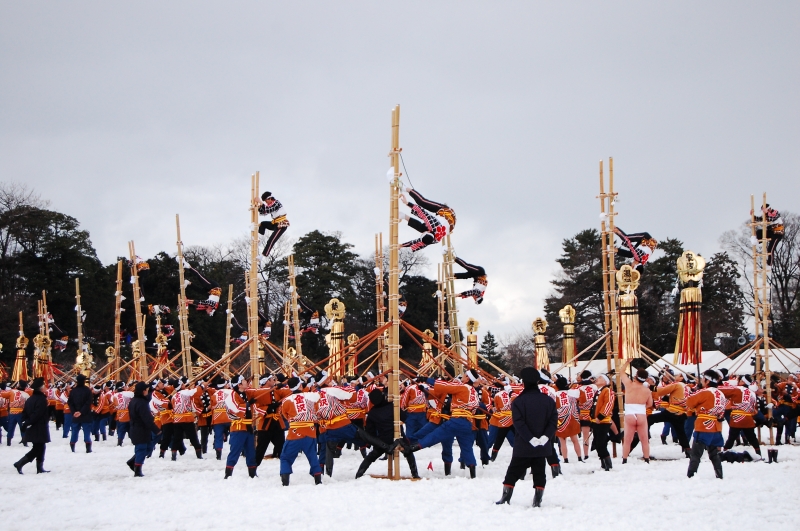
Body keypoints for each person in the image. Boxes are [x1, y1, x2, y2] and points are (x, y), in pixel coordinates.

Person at [494, 367, 557, 508]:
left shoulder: (518, 401)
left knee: (513, 471)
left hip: (524, 443)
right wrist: (546, 437)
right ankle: (537, 500)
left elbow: (519, 423)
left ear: (523, 383)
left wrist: (530, 438)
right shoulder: (548, 401)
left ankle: (506, 497)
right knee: (540, 471)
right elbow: (553, 421)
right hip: (543, 444)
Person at [406, 370, 483, 478]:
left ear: (468, 378)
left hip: (454, 421)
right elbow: (438, 392)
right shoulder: (474, 392)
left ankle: (410, 449)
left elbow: (444, 386)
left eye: (465, 375)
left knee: (434, 436)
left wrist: (426, 379)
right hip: (465, 422)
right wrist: (425, 390)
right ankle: (472, 474)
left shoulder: (462, 387)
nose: (462, 376)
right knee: (467, 448)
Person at [357, 389, 417, 478]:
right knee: (408, 452)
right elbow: (404, 417)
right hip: (399, 437)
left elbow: (371, 432)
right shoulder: (393, 406)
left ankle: (359, 474)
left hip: (384, 440)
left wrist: (379, 443)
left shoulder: (372, 413)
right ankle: (415, 474)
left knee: (371, 457)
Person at [279, 377, 323, 486]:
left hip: (294, 432)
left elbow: (285, 415)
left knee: (285, 457)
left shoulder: (286, 400)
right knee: (312, 455)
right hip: (310, 430)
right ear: (300, 385)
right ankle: (318, 478)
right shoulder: (310, 396)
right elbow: (317, 408)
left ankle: (285, 480)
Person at [686, 370, 727, 479]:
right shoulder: (721, 394)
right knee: (714, 454)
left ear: (707, 380)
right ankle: (719, 475)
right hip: (716, 427)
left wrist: (696, 391)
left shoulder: (705, 392)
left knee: (696, 453)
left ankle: (691, 475)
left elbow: (689, 402)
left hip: (704, 425)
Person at [13, 378, 51, 474]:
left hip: (33, 426)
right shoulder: (42, 399)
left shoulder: (30, 399)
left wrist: (25, 422)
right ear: (41, 389)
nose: (46, 388)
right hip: (39, 426)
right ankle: (20, 463)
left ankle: (39, 467)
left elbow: (24, 412)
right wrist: (28, 422)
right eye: (44, 386)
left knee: (40, 447)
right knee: (38, 448)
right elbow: (37, 414)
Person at [620, 360, 654, 463]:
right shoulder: (647, 390)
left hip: (630, 413)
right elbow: (650, 404)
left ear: (636, 376)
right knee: (644, 440)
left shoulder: (629, 385)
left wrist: (627, 362)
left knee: (627, 440)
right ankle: (647, 458)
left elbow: (621, 372)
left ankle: (625, 459)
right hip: (641, 414)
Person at [720, 374, 761, 459]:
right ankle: (758, 453)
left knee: (731, 437)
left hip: (737, 417)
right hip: (748, 418)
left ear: (743, 382)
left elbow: (723, 391)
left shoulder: (737, 389)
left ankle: (723, 453)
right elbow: (754, 407)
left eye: (740, 380)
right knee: (752, 437)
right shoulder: (752, 393)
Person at [128, 381, 161, 477]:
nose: (147, 391)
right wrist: (156, 429)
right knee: (141, 448)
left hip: (139, 429)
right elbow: (146, 418)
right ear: (143, 391)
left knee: (148, 447)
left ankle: (133, 461)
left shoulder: (135, 401)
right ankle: (137, 470)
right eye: (146, 390)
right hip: (140, 429)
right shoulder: (141, 403)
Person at [553, 376, 582, 463]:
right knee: (575, 440)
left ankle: (565, 459)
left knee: (562, 441)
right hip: (573, 417)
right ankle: (580, 457)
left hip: (561, 419)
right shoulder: (573, 393)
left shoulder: (555, 395)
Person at [591, 374, 615, 471]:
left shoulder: (607, 390)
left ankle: (608, 465)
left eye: (600, 378)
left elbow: (608, 404)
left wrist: (601, 416)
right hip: (596, 421)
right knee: (597, 443)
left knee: (601, 443)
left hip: (603, 421)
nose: (597, 379)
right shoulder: (598, 391)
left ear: (605, 382)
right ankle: (603, 463)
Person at [256, 191, 289, 259]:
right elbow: (263, 212)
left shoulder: (277, 203)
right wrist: (259, 207)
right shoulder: (269, 205)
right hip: (275, 223)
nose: (266, 202)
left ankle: (263, 255)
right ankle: (259, 239)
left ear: (269, 199)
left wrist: (260, 202)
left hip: (281, 224)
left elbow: (268, 210)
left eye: (266, 201)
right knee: (263, 224)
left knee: (271, 240)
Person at [68, 374, 94, 453]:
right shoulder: (87, 390)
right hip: (85, 415)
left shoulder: (73, 391)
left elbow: (70, 402)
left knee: (74, 432)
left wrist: (74, 412)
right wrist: (81, 412)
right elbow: (88, 402)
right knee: (87, 432)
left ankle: (72, 447)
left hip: (75, 415)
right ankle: (88, 448)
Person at [1, 380, 29, 446]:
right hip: (21, 413)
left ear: (18, 385)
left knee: (11, 427)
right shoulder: (26, 394)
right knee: (22, 427)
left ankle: (9, 442)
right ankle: (24, 441)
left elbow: (3, 394)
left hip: (12, 412)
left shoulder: (12, 391)